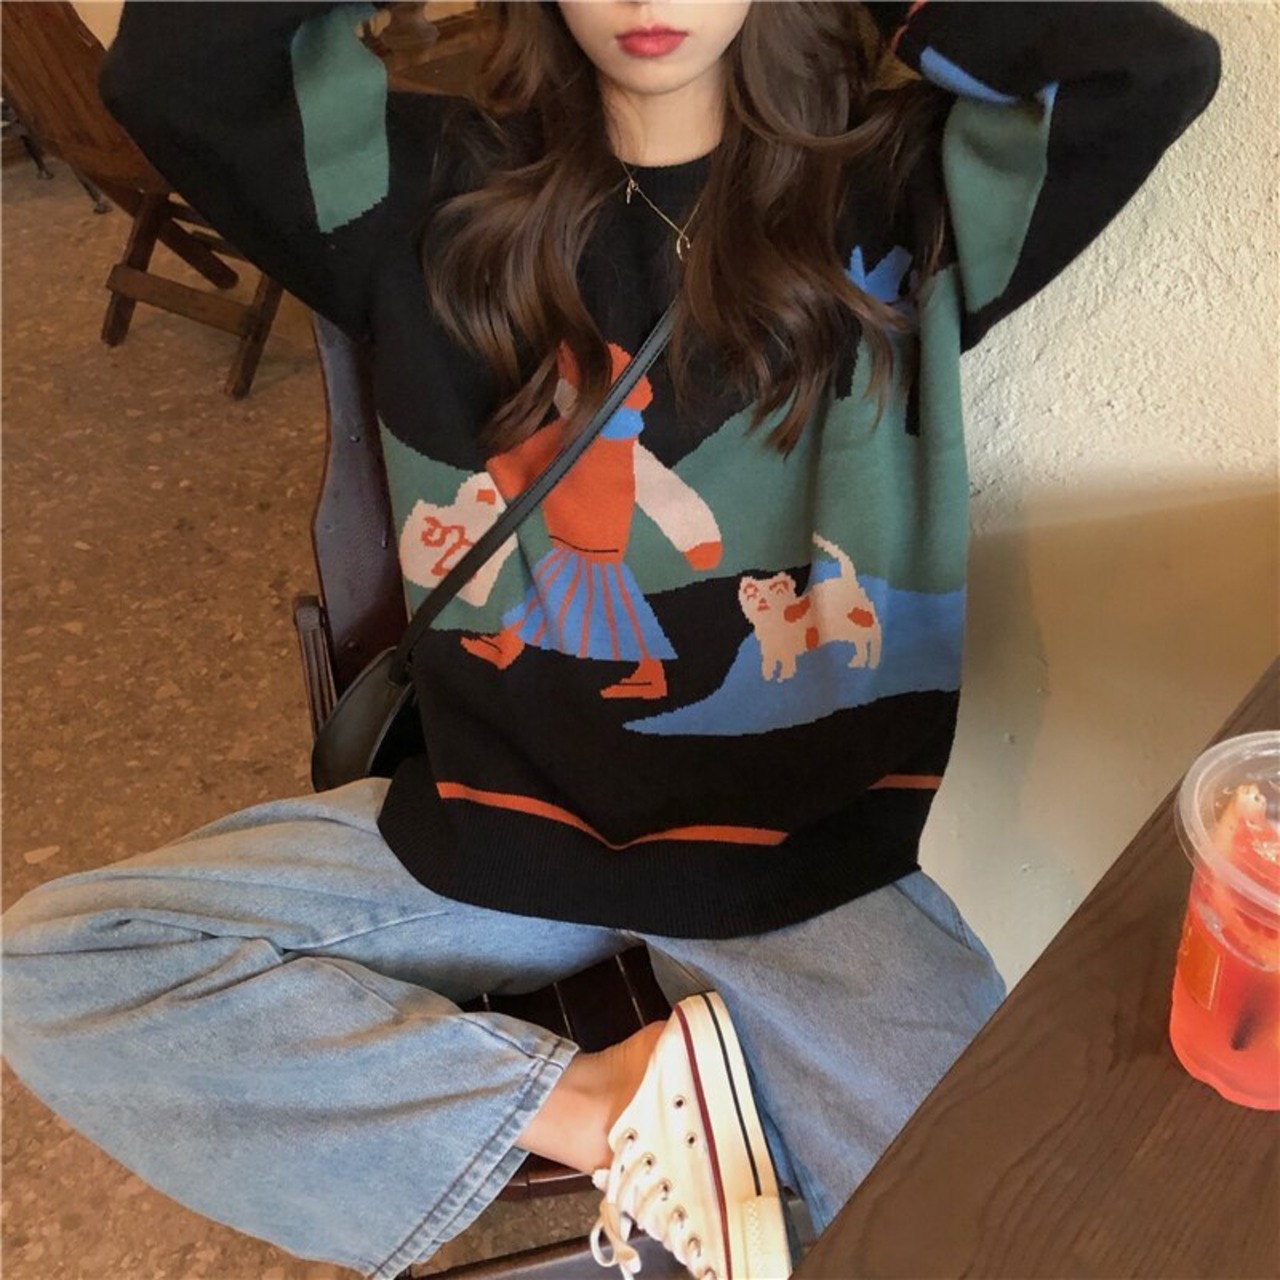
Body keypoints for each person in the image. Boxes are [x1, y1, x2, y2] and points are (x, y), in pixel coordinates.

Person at [2, 3, 1219, 1278]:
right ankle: (617, 1106)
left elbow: (1140, 70)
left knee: (1022, 1228)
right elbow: (176, 66)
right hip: (494, 827)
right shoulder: (420, 189)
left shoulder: (901, 201)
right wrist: (567, 1100)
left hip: (801, 870)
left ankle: (709, 1161)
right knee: (59, 968)